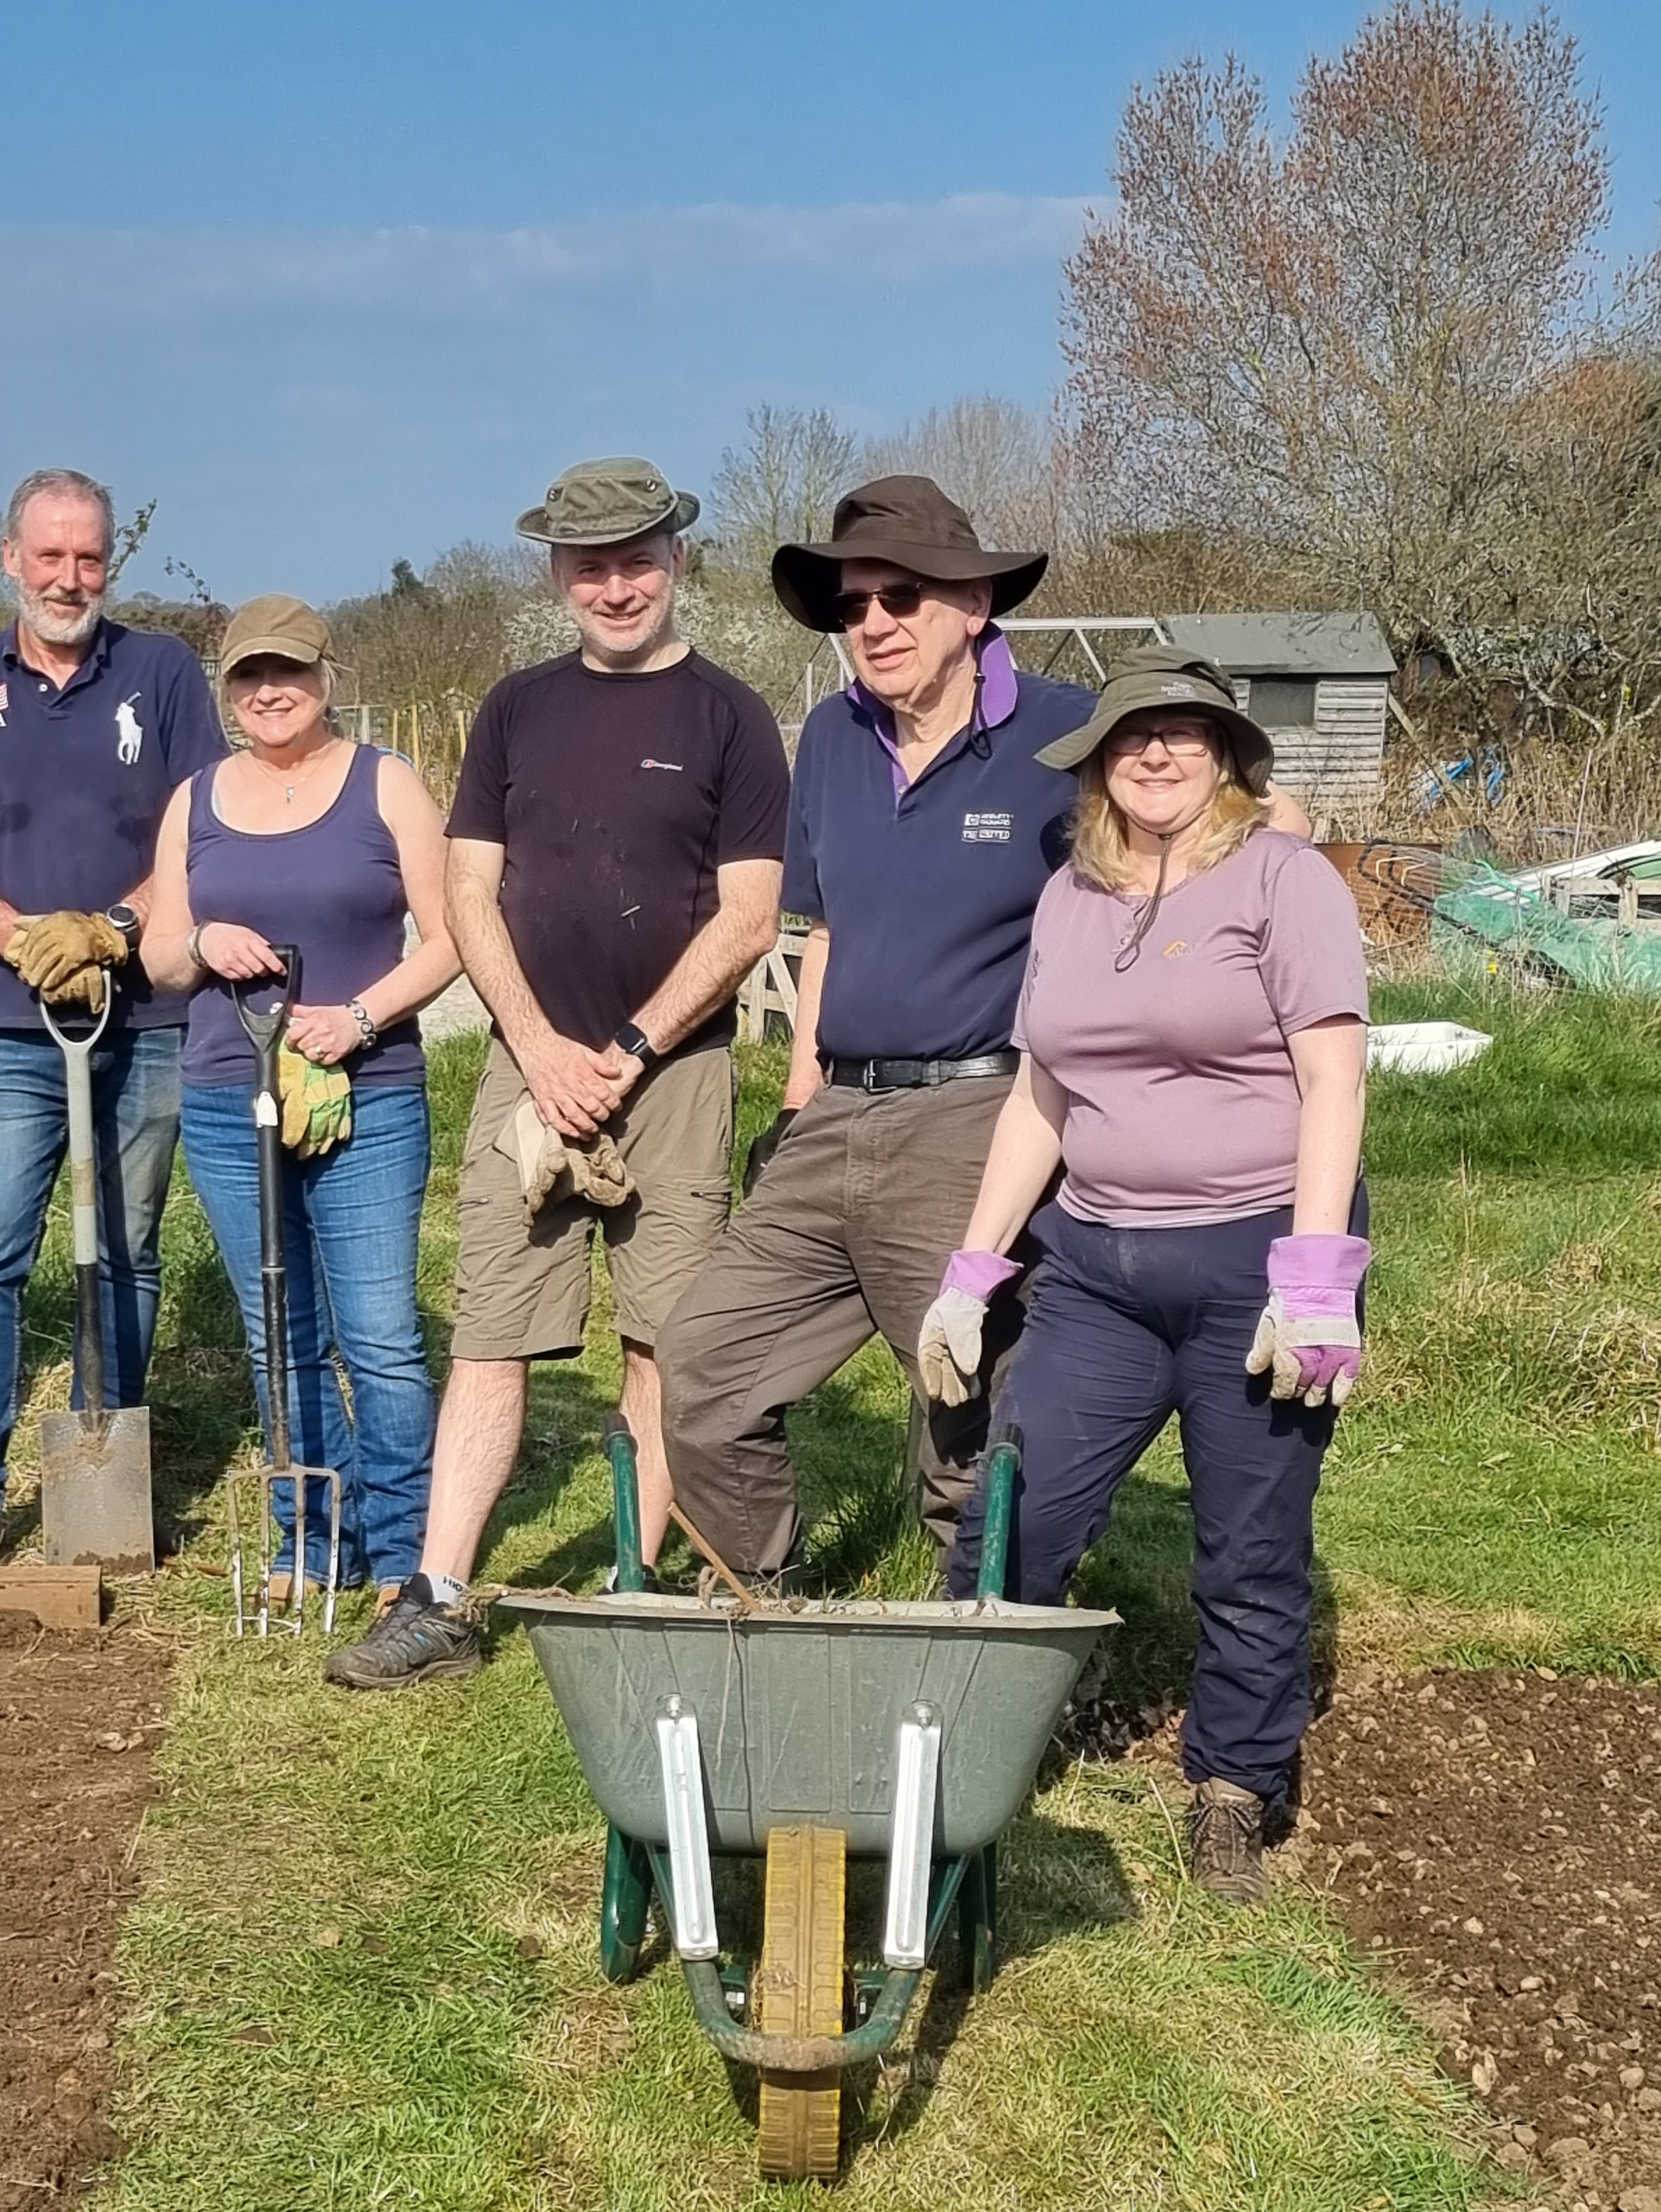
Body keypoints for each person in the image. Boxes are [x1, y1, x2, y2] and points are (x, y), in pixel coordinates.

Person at [659, 479, 1315, 1583]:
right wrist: (797, 1099)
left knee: (964, 1414)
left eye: (900, 596)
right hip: (838, 1109)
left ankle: (996, 1645)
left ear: (973, 605)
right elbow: (828, 931)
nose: (871, 623)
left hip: (980, 1108)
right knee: (705, 1365)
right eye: (851, 604)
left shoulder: (1065, 728)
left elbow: (1261, 820)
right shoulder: (827, 736)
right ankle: (757, 1607)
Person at [322, 457, 790, 1690]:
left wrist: (630, 1051)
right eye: (592, 565)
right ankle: (436, 1598)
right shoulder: (516, 710)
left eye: (638, 559)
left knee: (663, 1343)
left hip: (675, 1077)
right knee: (491, 1335)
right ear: (556, 575)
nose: (617, 585)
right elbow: (469, 895)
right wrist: (534, 1047)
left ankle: (633, 1600)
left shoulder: (731, 717)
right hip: (529, 1072)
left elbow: (748, 917)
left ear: (678, 561)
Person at [918, 646, 1368, 1903]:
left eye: (1184, 733)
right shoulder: (1072, 895)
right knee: (1027, 1503)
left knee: (1250, 1545)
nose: (1156, 753)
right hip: (1099, 1266)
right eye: (1131, 736)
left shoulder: (1284, 881)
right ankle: (969, 1727)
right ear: (1098, 763)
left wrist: (1318, 1271)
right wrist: (973, 1267)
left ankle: (1233, 1787)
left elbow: (1333, 1079)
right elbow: (1041, 1093)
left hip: (1256, 1261)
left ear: (1225, 754)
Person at [0, 467, 228, 1565]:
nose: (70, 577)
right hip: (2, 1022)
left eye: (89, 558)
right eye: (50, 557)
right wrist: (27, 941)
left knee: (126, 1252)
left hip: (145, 1022)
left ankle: (104, 1475)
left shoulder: (165, 673)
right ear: (10, 558)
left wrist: (111, 931)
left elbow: (201, 844)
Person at [141, 594, 459, 1614]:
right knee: (279, 1330)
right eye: (248, 676)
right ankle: (310, 1536)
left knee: (381, 1337)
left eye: (289, 672)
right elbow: (158, 951)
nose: (270, 691)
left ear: (327, 678)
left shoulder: (387, 784)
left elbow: (455, 939)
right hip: (233, 1098)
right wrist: (199, 945)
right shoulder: (194, 799)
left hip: (371, 1095)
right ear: (227, 689)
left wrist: (360, 1016)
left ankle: (402, 1543)